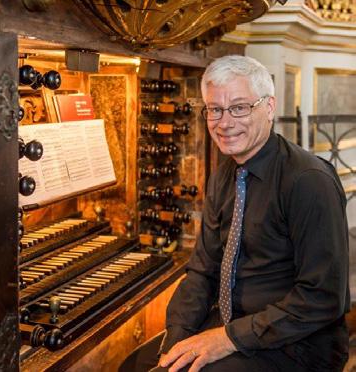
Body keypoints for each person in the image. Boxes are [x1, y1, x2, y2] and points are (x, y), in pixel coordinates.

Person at [119, 55, 350, 372]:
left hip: (299, 342)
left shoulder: (309, 181)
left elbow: (322, 297)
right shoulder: (224, 175)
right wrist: (176, 340)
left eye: (239, 107)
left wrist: (225, 339)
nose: (224, 122)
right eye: (215, 109)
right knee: (134, 367)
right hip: (233, 322)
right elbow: (202, 270)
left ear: (269, 107)